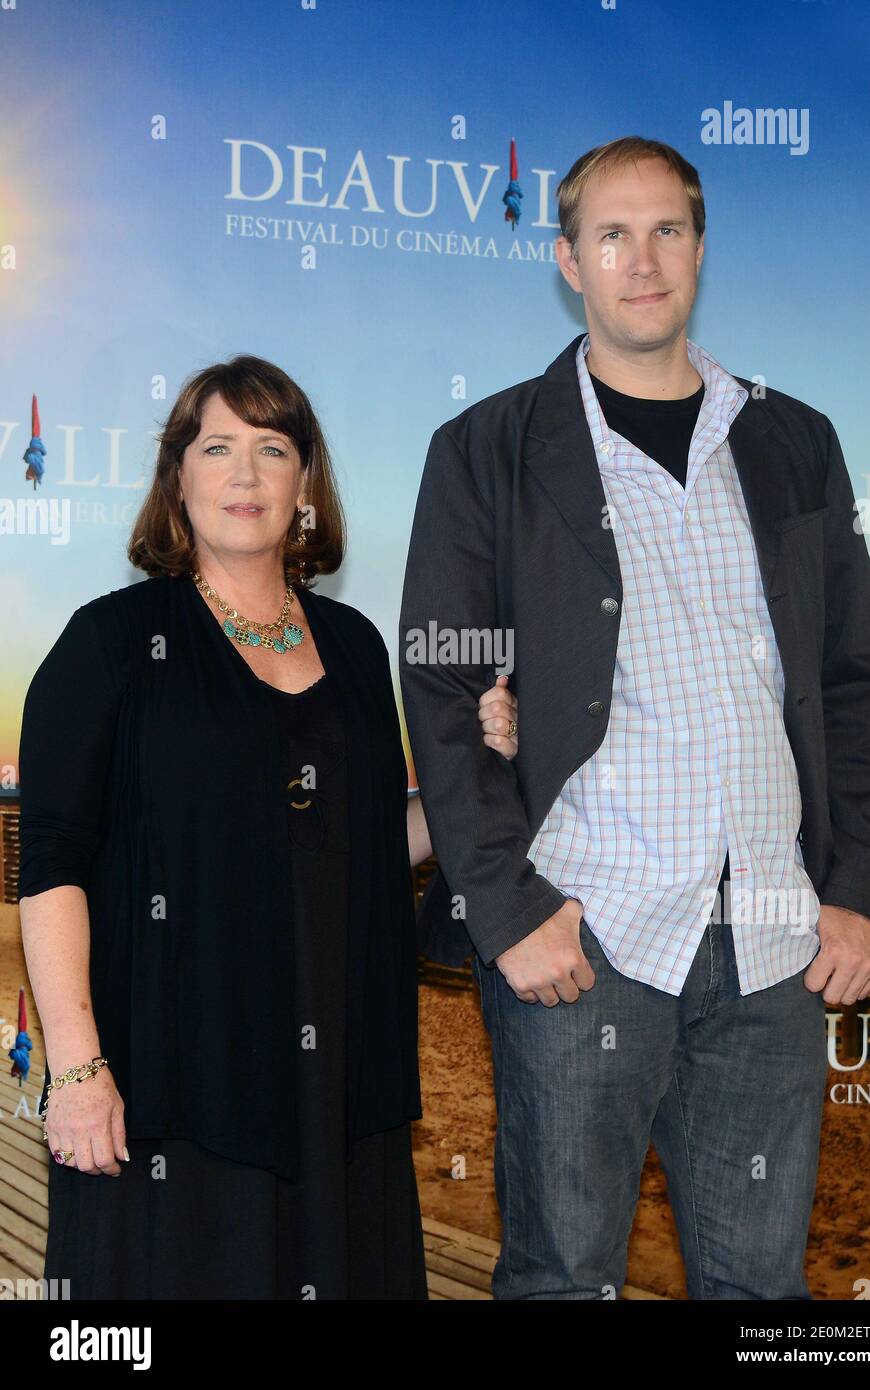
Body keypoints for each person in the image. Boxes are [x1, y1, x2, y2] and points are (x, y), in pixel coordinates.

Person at [399, 136, 870, 1300]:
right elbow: (443, 683)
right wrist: (504, 905)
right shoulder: (487, 449)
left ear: (698, 247)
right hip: (584, 938)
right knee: (565, 1277)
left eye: (667, 230)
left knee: (762, 1295)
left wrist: (863, 888)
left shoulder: (793, 441)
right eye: (612, 235)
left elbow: (857, 682)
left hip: (778, 946)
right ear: (570, 262)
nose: (643, 259)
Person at [17, 353, 518, 1301]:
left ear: (305, 486)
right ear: (178, 480)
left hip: (334, 1090)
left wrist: (479, 776)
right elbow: (52, 864)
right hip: (171, 1090)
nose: (244, 474)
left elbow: (370, 845)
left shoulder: (359, 649)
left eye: (272, 448)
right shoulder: (111, 641)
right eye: (217, 447)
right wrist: (78, 1071)